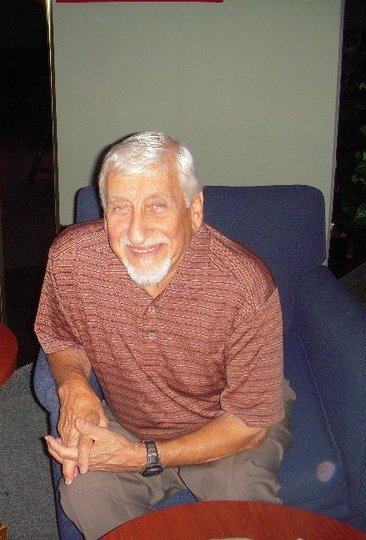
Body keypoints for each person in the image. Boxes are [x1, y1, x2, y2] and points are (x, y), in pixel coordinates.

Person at [34, 131, 295, 539]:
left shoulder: (244, 286)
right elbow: (62, 337)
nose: (137, 233)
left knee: (248, 521)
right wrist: (74, 387)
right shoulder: (72, 260)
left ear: (195, 210)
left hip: (225, 425)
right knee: (83, 494)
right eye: (121, 208)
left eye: (157, 206)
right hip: (130, 419)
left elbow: (249, 424)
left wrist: (143, 457)